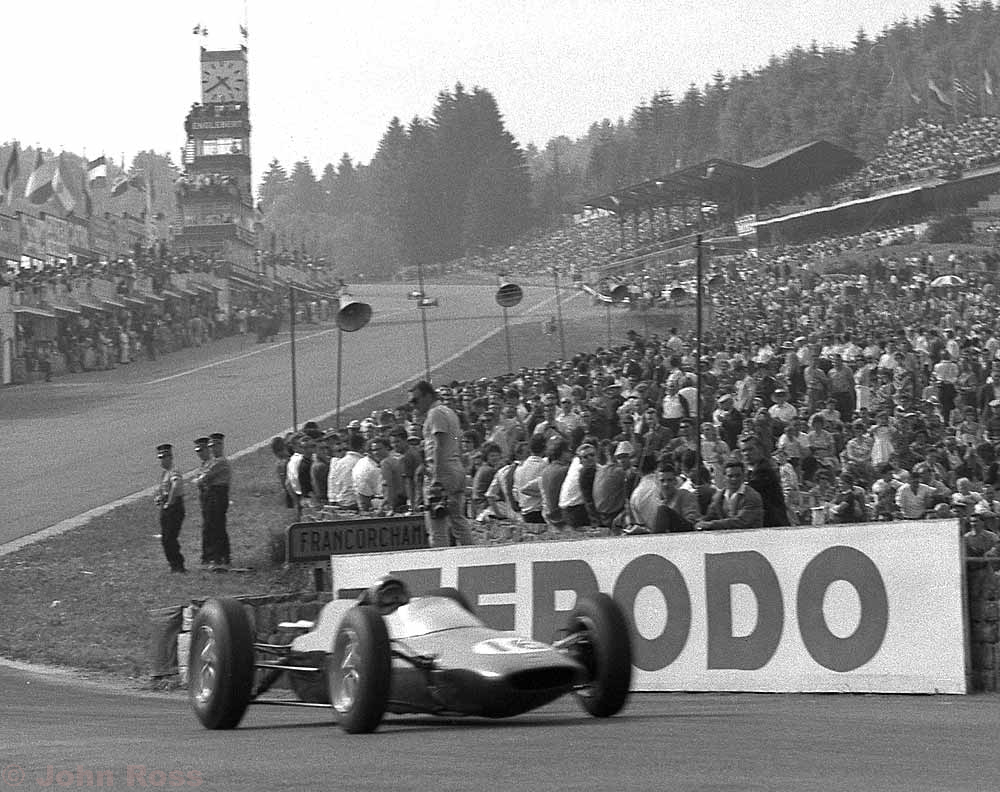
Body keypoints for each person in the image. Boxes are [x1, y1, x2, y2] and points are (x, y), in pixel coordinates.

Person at [409, 380, 474, 546]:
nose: (413, 405)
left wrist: (436, 479)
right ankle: (473, 555)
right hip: (455, 469)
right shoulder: (449, 412)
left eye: (415, 400)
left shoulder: (435, 413)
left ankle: (440, 560)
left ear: (427, 396)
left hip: (441, 472)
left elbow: (439, 445)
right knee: (458, 521)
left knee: (436, 527)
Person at [696, 459, 764, 531]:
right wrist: (699, 522)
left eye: (738, 475)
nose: (734, 479)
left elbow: (742, 522)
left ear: (744, 476)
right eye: (730, 476)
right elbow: (710, 516)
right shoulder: (718, 497)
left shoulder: (752, 496)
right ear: (724, 477)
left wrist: (710, 525)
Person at [740, 434, 790, 526]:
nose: (746, 453)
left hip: (774, 523)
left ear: (760, 450)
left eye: (750, 449)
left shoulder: (764, 470)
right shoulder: (751, 471)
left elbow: (747, 490)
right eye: (743, 450)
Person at [201, 432, 232, 568]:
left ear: (220, 446)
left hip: (218, 494)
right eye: (211, 446)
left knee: (217, 525)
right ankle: (219, 555)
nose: (212, 449)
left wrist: (202, 479)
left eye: (214, 446)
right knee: (213, 525)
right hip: (212, 494)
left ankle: (219, 556)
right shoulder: (212, 462)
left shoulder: (220, 462)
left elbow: (204, 477)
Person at [154, 443, 185, 573]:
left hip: (174, 507)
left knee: (170, 538)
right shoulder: (165, 474)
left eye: (164, 457)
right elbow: (164, 490)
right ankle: (173, 565)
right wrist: (160, 498)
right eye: (160, 458)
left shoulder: (174, 471)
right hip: (166, 507)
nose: (162, 461)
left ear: (170, 457)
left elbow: (176, 486)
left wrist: (169, 502)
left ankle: (178, 565)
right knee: (166, 538)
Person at [647, 460, 701, 533]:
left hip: (688, 532)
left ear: (675, 481)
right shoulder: (659, 501)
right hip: (671, 535)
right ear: (657, 483)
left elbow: (692, 521)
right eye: (662, 481)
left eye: (669, 480)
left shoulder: (685, 495)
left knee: (663, 509)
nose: (666, 484)